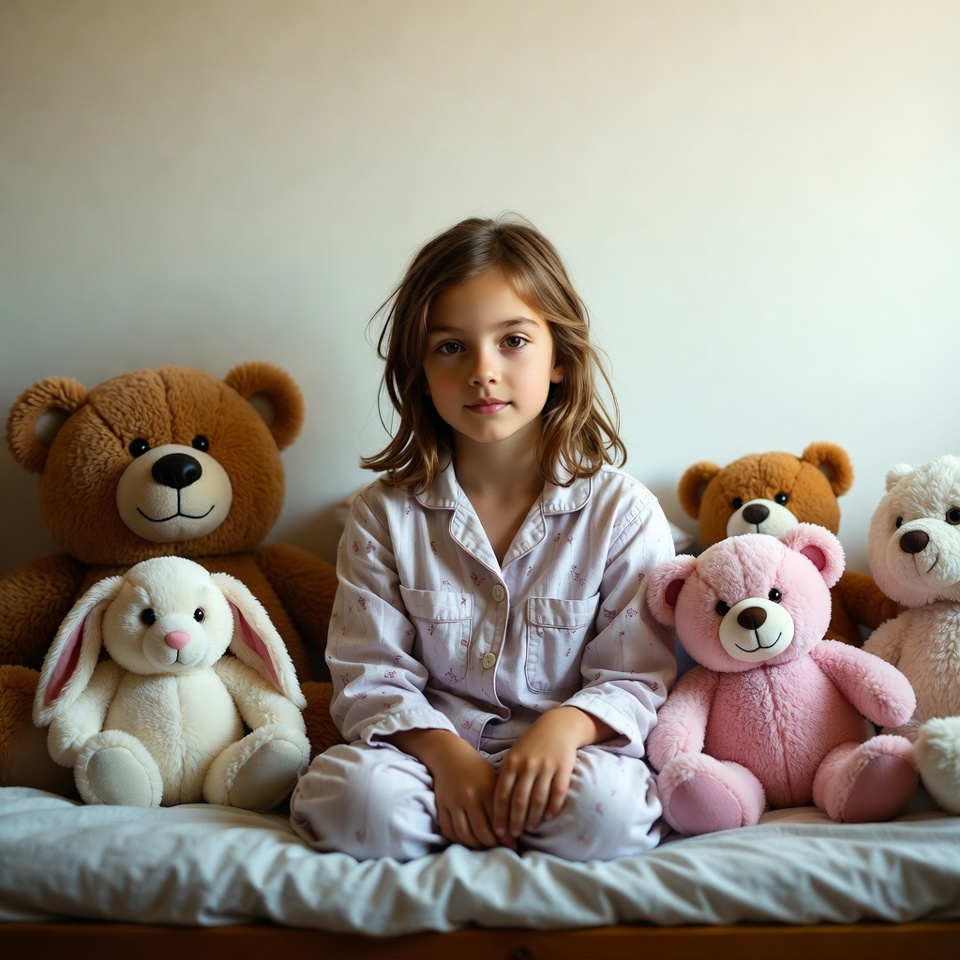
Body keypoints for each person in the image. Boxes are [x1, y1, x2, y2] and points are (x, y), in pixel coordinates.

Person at [290, 215, 676, 862]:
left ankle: (516, 818)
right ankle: (468, 816)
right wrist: (445, 757)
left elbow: (637, 675)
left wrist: (564, 726)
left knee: (606, 811)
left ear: (560, 359)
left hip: (569, 761)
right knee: (355, 800)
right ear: (419, 370)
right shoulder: (383, 516)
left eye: (513, 341)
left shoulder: (622, 512)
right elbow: (369, 674)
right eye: (450, 347)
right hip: (423, 758)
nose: (482, 370)